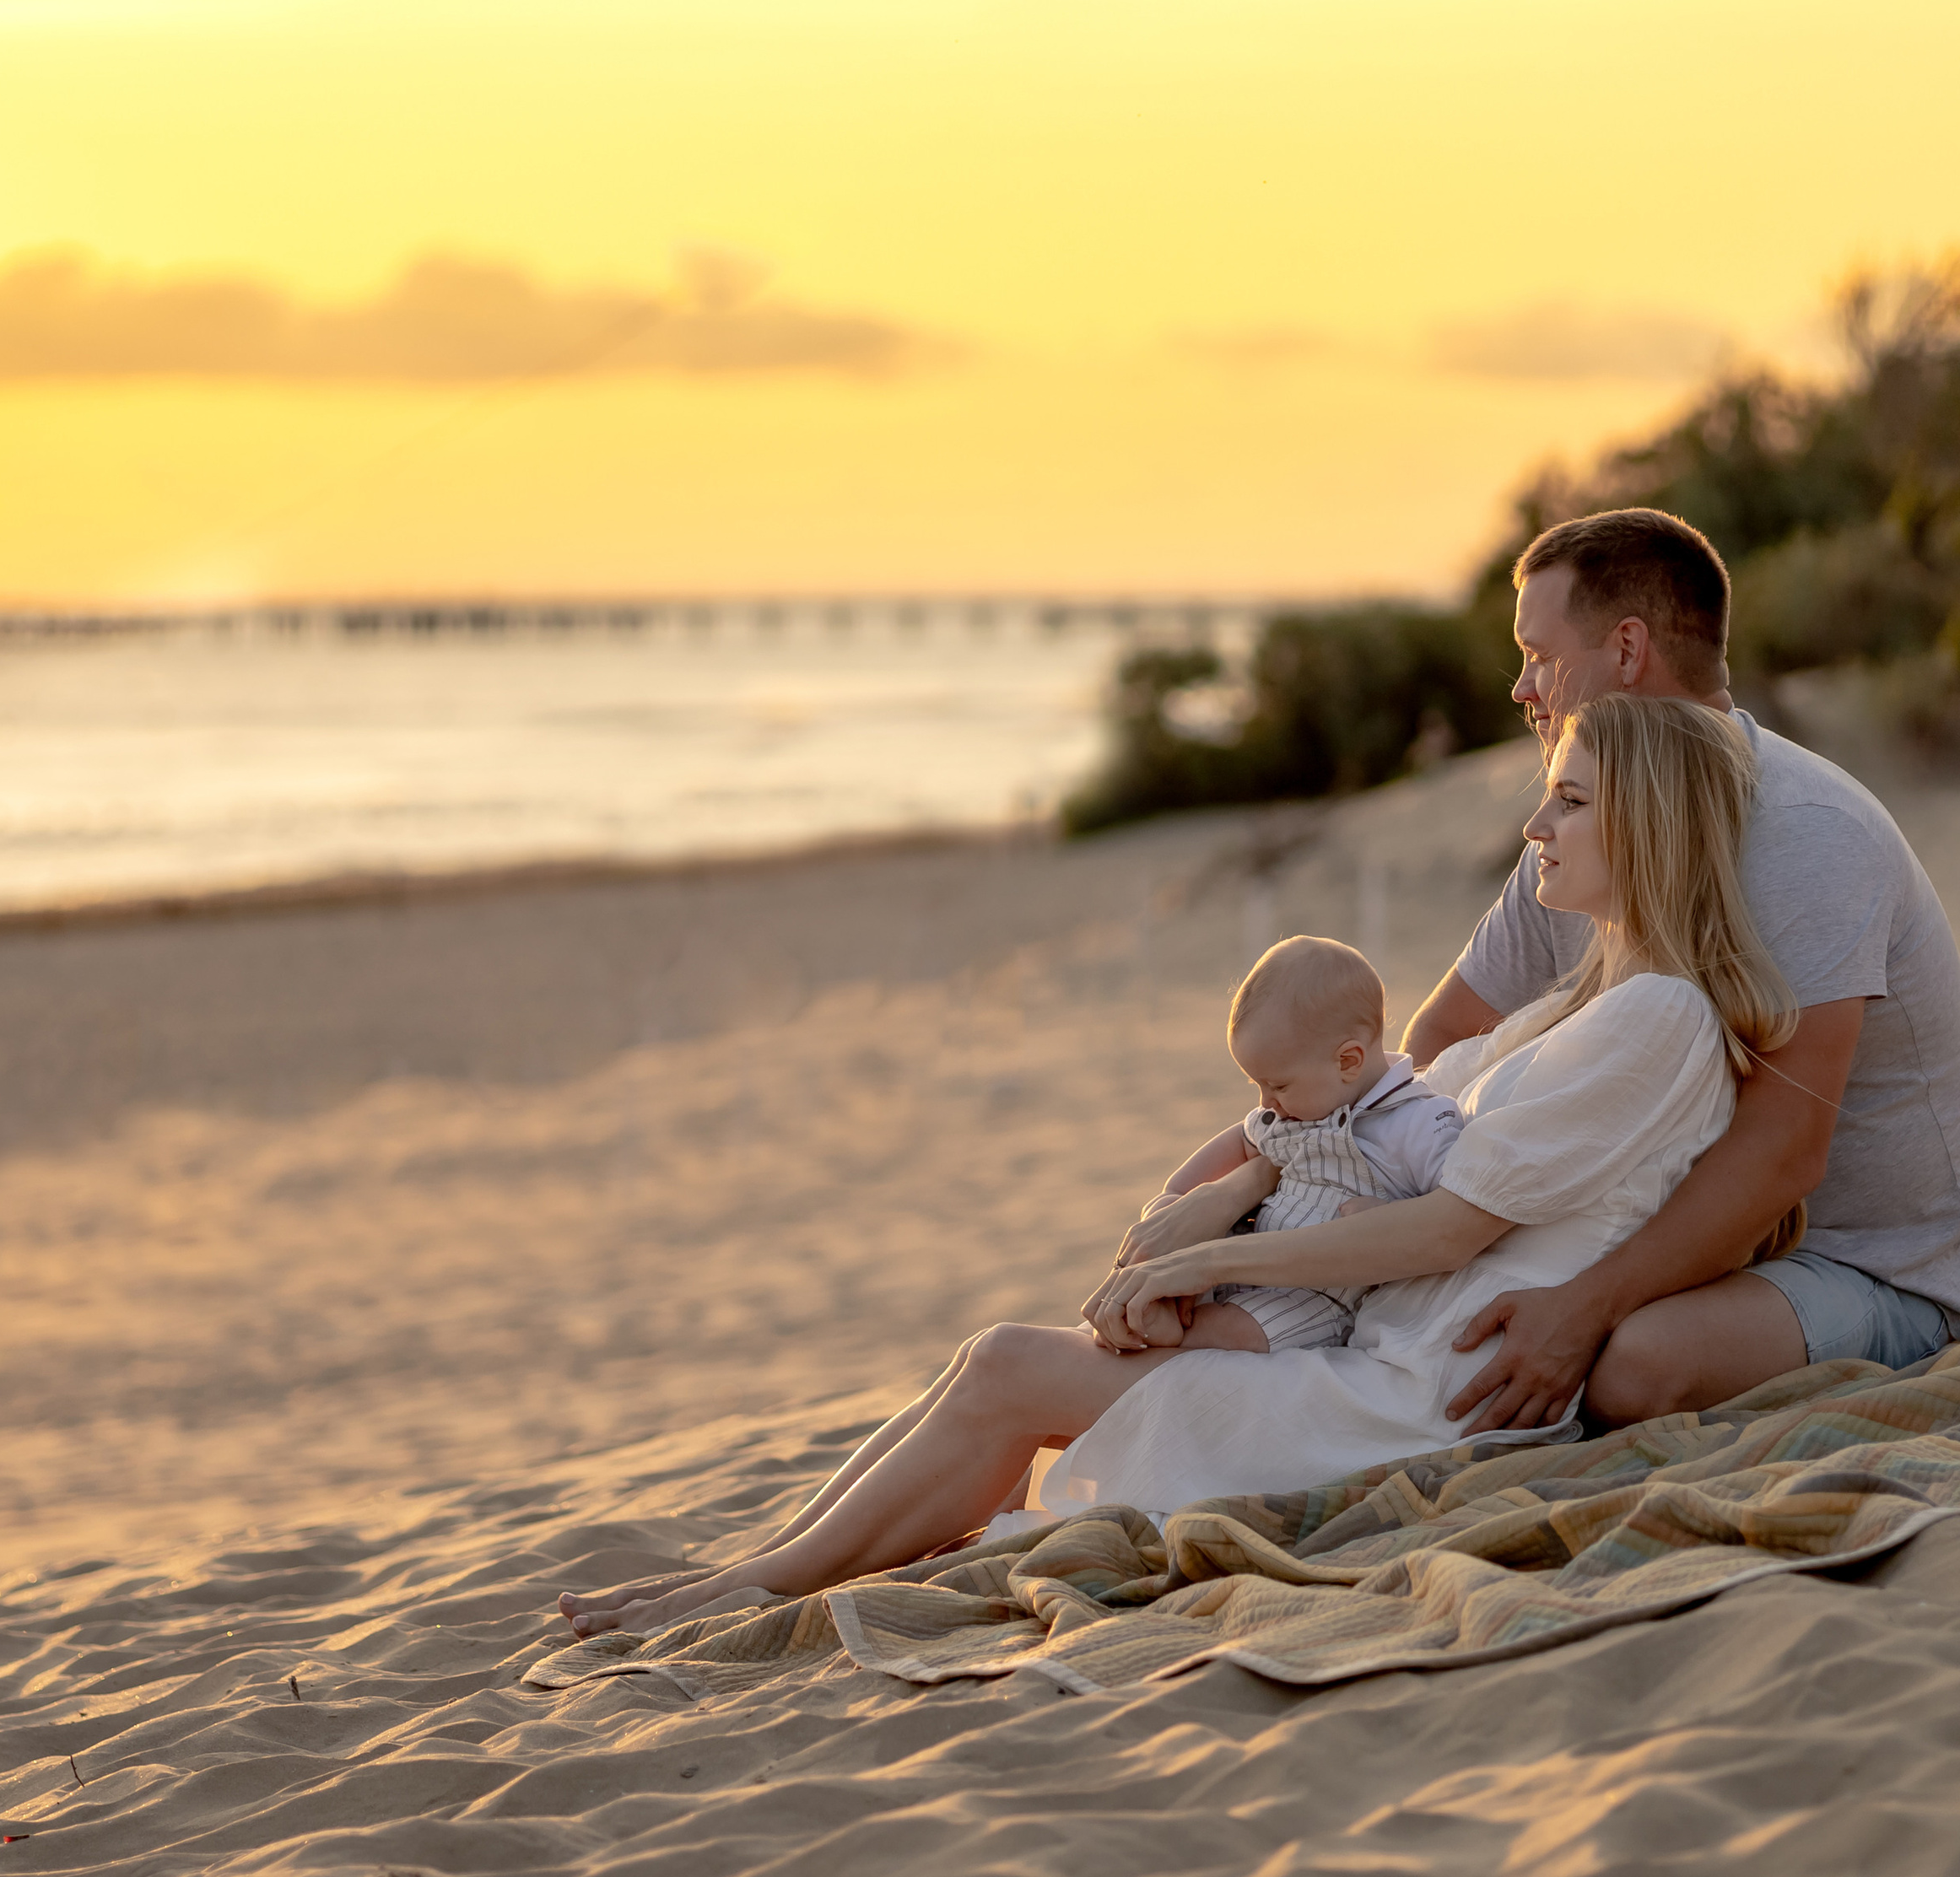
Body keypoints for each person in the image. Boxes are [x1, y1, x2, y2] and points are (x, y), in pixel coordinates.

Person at [559, 694, 1787, 1637]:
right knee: (998, 1363)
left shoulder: (1661, 1021)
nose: (1536, 826)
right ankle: (773, 1565)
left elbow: (1444, 1232)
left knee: (1006, 1368)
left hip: (1415, 1399)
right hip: (1352, 1352)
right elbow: (1356, 1133)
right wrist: (1228, 1201)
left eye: (1569, 801)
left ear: (1651, 822)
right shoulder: (1564, 1016)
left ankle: (756, 1584)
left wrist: (1205, 1259)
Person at [1404, 508, 1960, 1438]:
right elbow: (1443, 1038)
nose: (1521, 687)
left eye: (1540, 655)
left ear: (1626, 649)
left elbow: (1784, 1149)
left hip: (1875, 1263)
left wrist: (1580, 1306)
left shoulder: (1807, 835)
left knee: (1635, 1365)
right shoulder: (1583, 808)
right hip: (1672, 1237)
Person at [1126, 933, 1465, 1357]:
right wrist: (1173, 1203)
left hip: (1317, 1292)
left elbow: (1452, 1209)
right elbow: (1226, 1154)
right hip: (1242, 1257)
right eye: (1258, 1085)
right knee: (1193, 1281)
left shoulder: (1419, 1121)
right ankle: (1166, 1311)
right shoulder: (1291, 1114)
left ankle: (1172, 1335)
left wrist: (1388, 1216)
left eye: (1278, 1085)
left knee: (1239, 1333)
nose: (1265, 1103)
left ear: (1348, 1061)